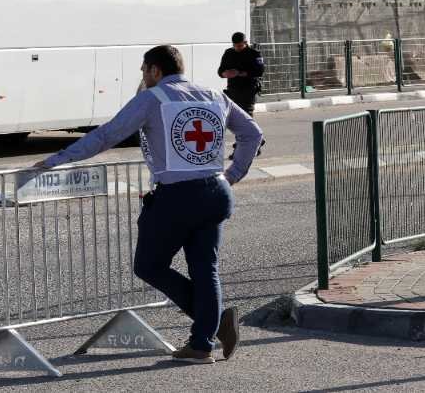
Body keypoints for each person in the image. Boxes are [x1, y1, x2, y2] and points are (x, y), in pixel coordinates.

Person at [33, 45, 263, 364]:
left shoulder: (153, 98)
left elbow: (106, 135)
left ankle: (212, 326)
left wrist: (58, 159)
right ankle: (202, 343)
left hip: (178, 196)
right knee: (205, 269)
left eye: (143, 70)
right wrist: (233, 173)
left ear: (155, 70)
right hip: (217, 192)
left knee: (148, 265)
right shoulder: (213, 94)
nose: (143, 76)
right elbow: (252, 132)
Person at [217, 32, 264, 116]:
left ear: (245, 43)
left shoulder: (254, 54)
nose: (237, 48)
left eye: (240, 46)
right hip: (233, 90)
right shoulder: (229, 53)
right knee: (234, 117)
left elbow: (260, 71)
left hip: (248, 91)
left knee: (246, 116)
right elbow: (220, 71)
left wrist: (240, 73)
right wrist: (225, 74)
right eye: (235, 46)